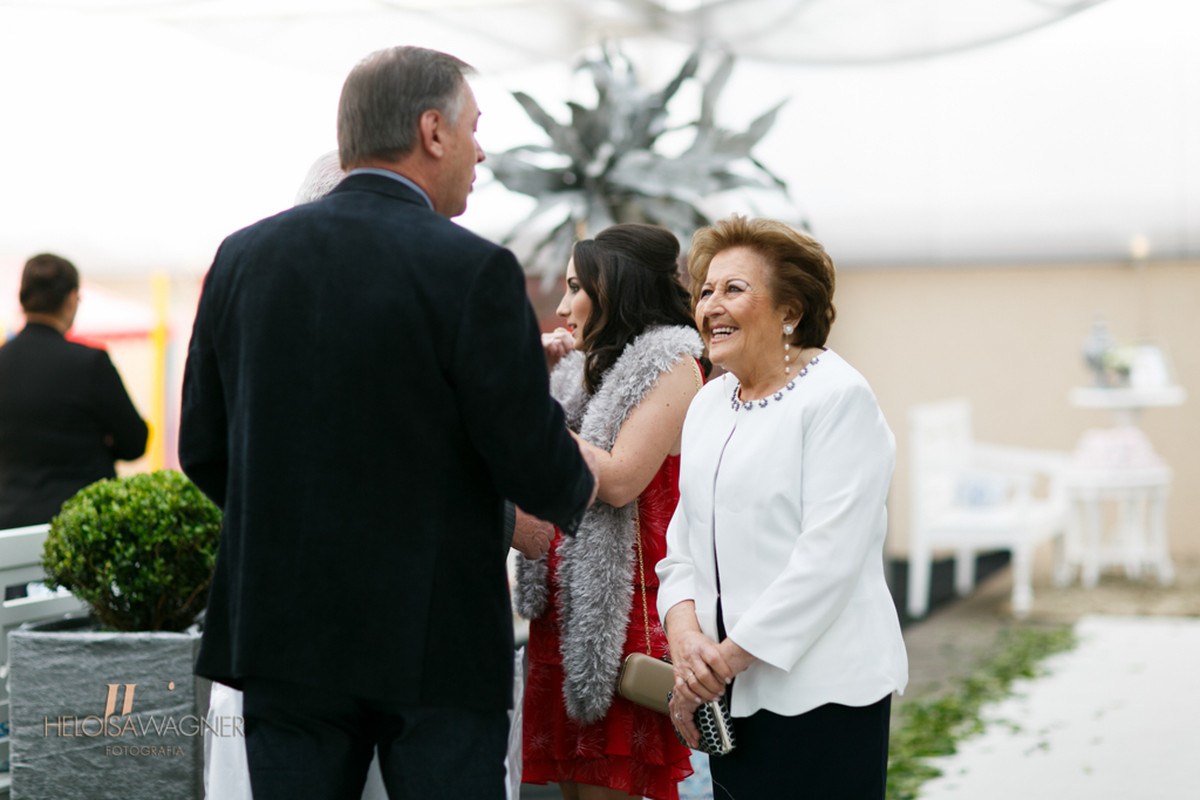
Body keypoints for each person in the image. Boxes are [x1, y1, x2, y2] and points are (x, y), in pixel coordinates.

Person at [179, 46, 598, 800]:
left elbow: (204, 450)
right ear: (432, 130)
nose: (482, 150)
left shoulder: (240, 259)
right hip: (432, 639)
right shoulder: (473, 271)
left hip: (281, 631)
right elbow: (534, 463)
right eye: (475, 127)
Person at [656, 215, 908, 799]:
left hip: (824, 696)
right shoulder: (709, 402)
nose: (710, 305)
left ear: (789, 311)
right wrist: (686, 640)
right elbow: (681, 549)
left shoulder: (838, 398)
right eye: (705, 291)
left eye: (733, 289)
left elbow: (828, 561)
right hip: (727, 697)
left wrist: (722, 661)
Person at [516, 223, 704, 800]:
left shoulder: (673, 363)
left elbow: (620, 480)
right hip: (563, 620)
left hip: (623, 624)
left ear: (613, 288)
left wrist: (518, 405)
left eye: (577, 287)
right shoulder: (580, 369)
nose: (564, 304)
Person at [0, 253, 148, 536]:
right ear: (70, 299)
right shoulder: (90, 363)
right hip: (79, 531)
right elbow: (135, 442)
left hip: (8, 530)